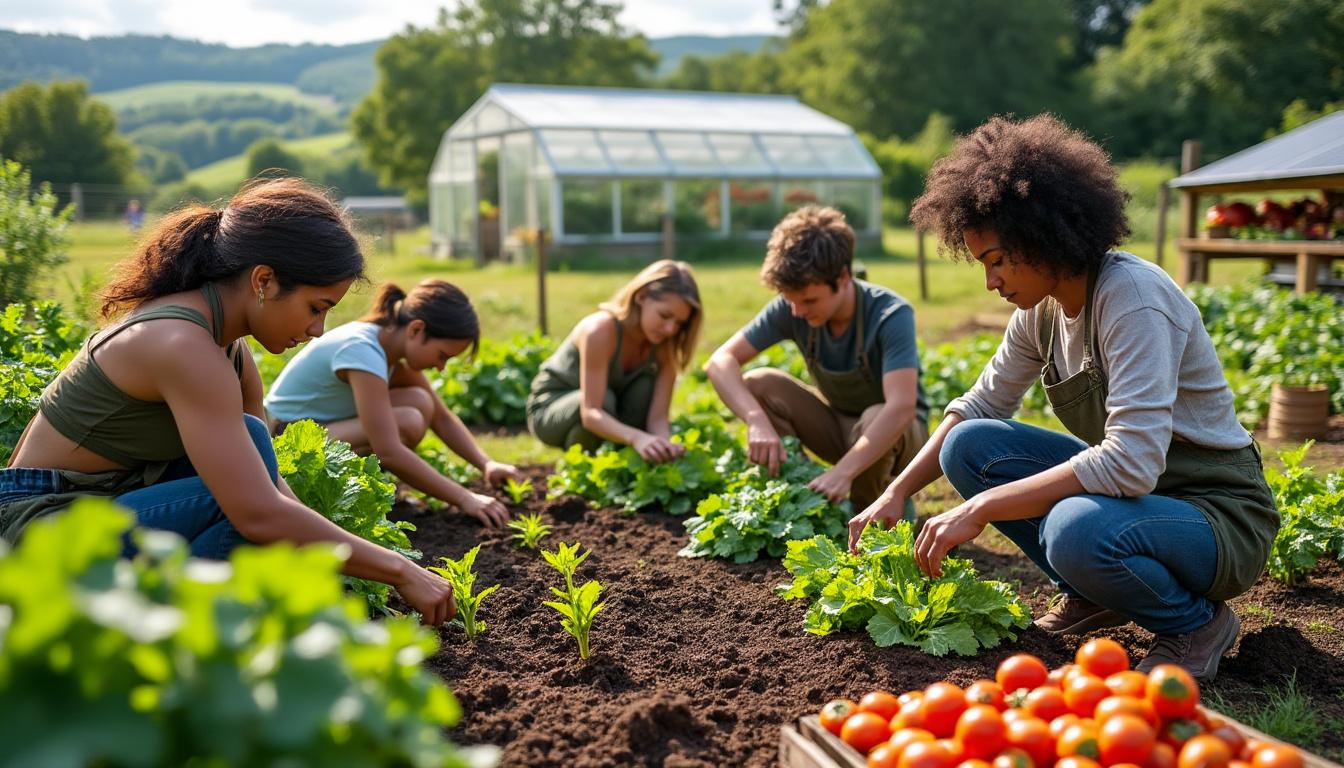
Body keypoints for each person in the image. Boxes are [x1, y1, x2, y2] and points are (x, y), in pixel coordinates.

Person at [848, 115, 1278, 681]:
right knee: (969, 445)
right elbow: (978, 406)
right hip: (1138, 502)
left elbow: (1131, 461)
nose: (991, 282)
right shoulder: (1041, 312)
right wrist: (896, 491)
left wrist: (978, 509)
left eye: (997, 260)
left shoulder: (1133, 300)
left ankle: (1196, 624)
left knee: (1074, 530)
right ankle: (1088, 587)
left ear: (1041, 236)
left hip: (1216, 518)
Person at [1, 178, 457, 626]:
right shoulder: (183, 345)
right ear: (263, 280)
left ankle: (189, 631)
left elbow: (273, 489)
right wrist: (398, 569)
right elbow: (257, 512)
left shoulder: (229, 352)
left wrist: (343, 570)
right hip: (37, 531)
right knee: (240, 510)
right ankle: (183, 642)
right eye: (317, 306)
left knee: (255, 443)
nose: (319, 329)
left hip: (102, 507)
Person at [704, 206, 928, 512]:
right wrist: (756, 420)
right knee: (759, 385)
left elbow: (901, 407)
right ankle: (801, 500)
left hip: (901, 437)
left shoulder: (890, 314)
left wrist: (842, 472)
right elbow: (719, 361)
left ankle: (874, 507)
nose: (797, 312)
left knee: (877, 414)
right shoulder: (792, 307)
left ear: (844, 277)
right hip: (840, 428)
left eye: (809, 300)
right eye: (790, 301)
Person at [264, 279, 523, 529]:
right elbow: (388, 451)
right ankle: (342, 499)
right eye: (442, 355)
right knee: (407, 421)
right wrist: (466, 498)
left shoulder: (388, 347)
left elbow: (441, 418)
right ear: (416, 329)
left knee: (420, 402)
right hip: (286, 441)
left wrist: (486, 464)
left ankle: (363, 491)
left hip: (318, 430)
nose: (441, 368)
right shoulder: (363, 350)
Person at [527, 260, 701, 461]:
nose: (670, 329)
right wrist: (637, 438)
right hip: (554, 409)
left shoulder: (665, 345)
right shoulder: (600, 331)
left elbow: (658, 419)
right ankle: (581, 461)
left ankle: (598, 452)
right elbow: (591, 412)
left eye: (679, 323)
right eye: (665, 315)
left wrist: (665, 445)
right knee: (603, 403)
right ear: (641, 297)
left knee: (645, 388)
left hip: (607, 411)